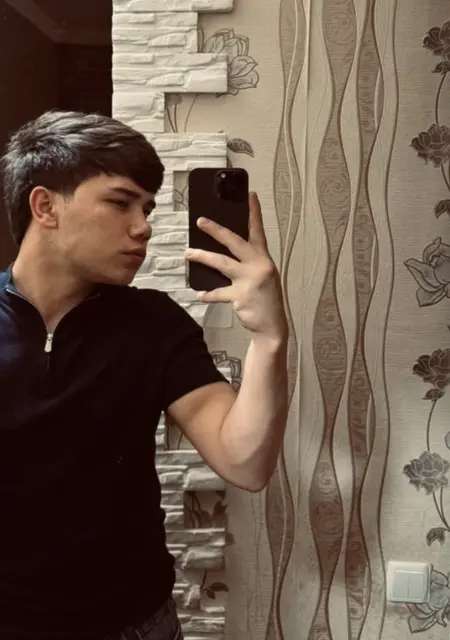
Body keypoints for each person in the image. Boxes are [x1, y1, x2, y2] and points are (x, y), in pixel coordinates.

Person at [0, 110, 288, 640]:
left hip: (133, 624)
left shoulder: (153, 324)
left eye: (147, 207)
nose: (144, 226)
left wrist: (269, 338)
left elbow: (245, 462)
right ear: (45, 207)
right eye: (120, 202)